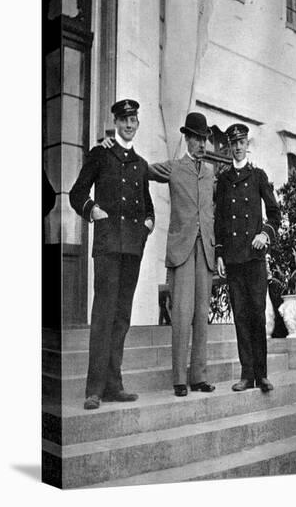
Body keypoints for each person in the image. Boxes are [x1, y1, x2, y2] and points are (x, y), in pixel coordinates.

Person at [102, 112, 216, 397]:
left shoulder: (212, 172)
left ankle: (199, 376)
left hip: (206, 251)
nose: (201, 144)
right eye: (197, 138)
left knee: (202, 314)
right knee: (181, 314)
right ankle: (180, 379)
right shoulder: (174, 168)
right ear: (187, 139)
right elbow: (140, 169)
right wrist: (110, 145)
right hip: (181, 251)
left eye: (204, 139)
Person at [69, 99, 155, 409]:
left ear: (137, 124)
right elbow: (77, 193)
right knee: (103, 316)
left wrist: (147, 226)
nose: (129, 125)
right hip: (107, 247)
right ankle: (94, 389)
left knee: (122, 318)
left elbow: (148, 208)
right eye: (124, 120)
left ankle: (113, 385)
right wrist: (93, 211)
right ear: (116, 123)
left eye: (133, 120)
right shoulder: (100, 155)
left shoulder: (141, 164)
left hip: (132, 249)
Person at [214, 123, 281, 393]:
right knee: (240, 317)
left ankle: (262, 374)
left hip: (254, 259)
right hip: (233, 259)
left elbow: (275, 213)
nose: (238, 146)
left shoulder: (258, 176)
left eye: (242, 142)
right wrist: (219, 252)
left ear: (247, 145)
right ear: (230, 146)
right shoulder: (224, 179)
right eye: (234, 142)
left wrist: (265, 234)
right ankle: (246, 374)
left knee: (258, 316)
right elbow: (219, 220)